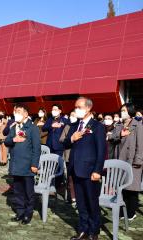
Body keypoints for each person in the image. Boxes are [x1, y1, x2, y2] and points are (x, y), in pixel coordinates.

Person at [63, 97, 106, 240]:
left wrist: (97, 170)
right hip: (75, 169)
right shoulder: (75, 126)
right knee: (81, 203)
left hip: (90, 171)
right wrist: (72, 139)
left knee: (92, 203)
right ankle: (83, 230)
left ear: (88, 108)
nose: (76, 110)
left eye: (79, 107)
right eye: (75, 107)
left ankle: (94, 232)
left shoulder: (97, 126)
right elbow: (65, 143)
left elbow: (101, 151)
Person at [4, 103, 40, 224]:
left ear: (26, 114)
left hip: (27, 165)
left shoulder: (32, 128)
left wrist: (34, 164)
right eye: (15, 111)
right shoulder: (14, 127)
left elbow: (37, 148)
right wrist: (13, 139)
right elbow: (7, 141)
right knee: (18, 191)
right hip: (15, 164)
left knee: (28, 192)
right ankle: (20, 212)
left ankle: (27, 214)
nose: (16, 114)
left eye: (19, 111)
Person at [111, 103, 143, 221]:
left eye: (124, 110)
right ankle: (121, 211)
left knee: (132, 188)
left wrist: (138, 159)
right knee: (121, 187)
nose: (122, 112)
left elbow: (140, 143)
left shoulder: (137, 125)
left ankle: (131, 212)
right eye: (121, 110)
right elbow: (111, 138)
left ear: (130, 111)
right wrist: (120, 134)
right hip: (120, 158)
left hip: (132, 159)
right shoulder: (118, 124)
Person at [59, 110, 77, 205]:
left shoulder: (80, 126)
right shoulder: (67, 126)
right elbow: (61, 139)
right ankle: (72, 196)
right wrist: (70, 139)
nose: (72, 117)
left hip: (78, 155)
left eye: (74, 115)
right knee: (70, 177)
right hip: (68, 154)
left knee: (77, 177)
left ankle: (78, 196)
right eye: (71, 115)